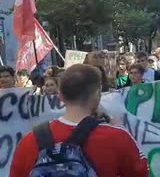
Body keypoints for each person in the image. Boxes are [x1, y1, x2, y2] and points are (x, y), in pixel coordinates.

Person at [10, 64, 148, 177]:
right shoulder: (118, 137)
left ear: (60, 96)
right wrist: (119, 127)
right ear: (97, 94)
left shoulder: (28, 141)